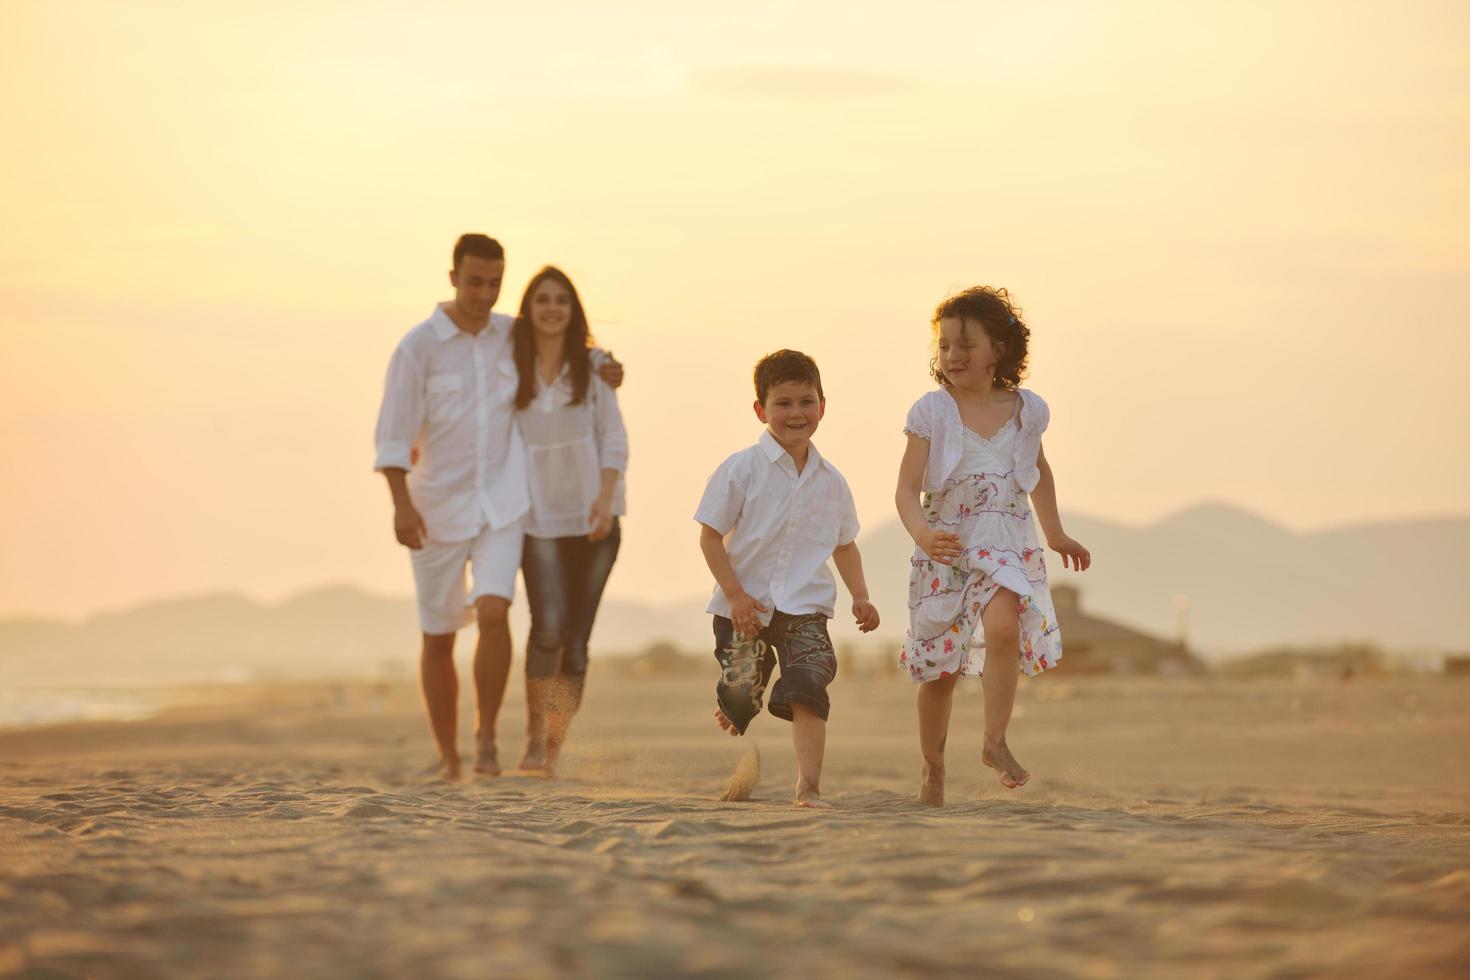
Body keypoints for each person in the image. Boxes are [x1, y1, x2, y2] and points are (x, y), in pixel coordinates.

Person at [373, 234, 622, 781]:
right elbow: (392, 438)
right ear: (453, 277)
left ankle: (486, 739)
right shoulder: (418, 348)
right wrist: (401, 505)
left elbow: (571, 350)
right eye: (475, 281)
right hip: (435, 506)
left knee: (494, 610)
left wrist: (607, 366)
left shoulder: (513, 334)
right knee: (438, 635)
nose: (485, 293)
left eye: (494, 283)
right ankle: (449, 754)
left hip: (505, 506)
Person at [895, 286, 1091, 806]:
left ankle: (994, 741)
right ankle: (932, 766)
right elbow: (905, 487)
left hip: (1006, 541)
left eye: (966, 344)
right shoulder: (932, 412)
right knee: (942, 668)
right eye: (944, 347)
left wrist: (1054, 533)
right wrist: (921, 533)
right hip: (946, 547)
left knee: (1003, 625)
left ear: (998, 349)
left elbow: (1038, 472)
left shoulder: (1027, 410)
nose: (953, 356)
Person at [694, 349, 880, 809]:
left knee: (809, 685)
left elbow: (844, 544)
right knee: (743, 695)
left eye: (806, 402)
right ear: (761, 410)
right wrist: (735, 595)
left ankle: (808, 788)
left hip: (805, 609)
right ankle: (736, 702)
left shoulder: (833, 482)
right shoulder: (740, 469)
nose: (796, 413)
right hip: (745, 610)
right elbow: (710, 537)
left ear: (822, 406)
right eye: (783, 403)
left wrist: (861, 596)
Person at [510, 266, 628, 774]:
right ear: (528, 309)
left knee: (577, 640)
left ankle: (554, 747)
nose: (552, 308)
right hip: (536, 520)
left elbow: (614, 438)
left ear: (573, 309)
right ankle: (533, 740)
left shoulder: (595, 366)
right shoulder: (508, 366)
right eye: (542, 300)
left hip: (596, 522)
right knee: (548, 629)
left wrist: (605, 500)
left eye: (561, 300)